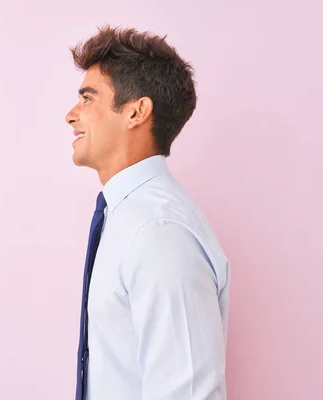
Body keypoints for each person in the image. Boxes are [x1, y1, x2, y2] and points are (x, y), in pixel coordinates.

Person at [65, 25, 231, 400]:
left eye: (88, 99)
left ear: (136, 111)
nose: (71, 115)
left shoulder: (159, 230)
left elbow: (189, 393)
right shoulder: (127, 218)